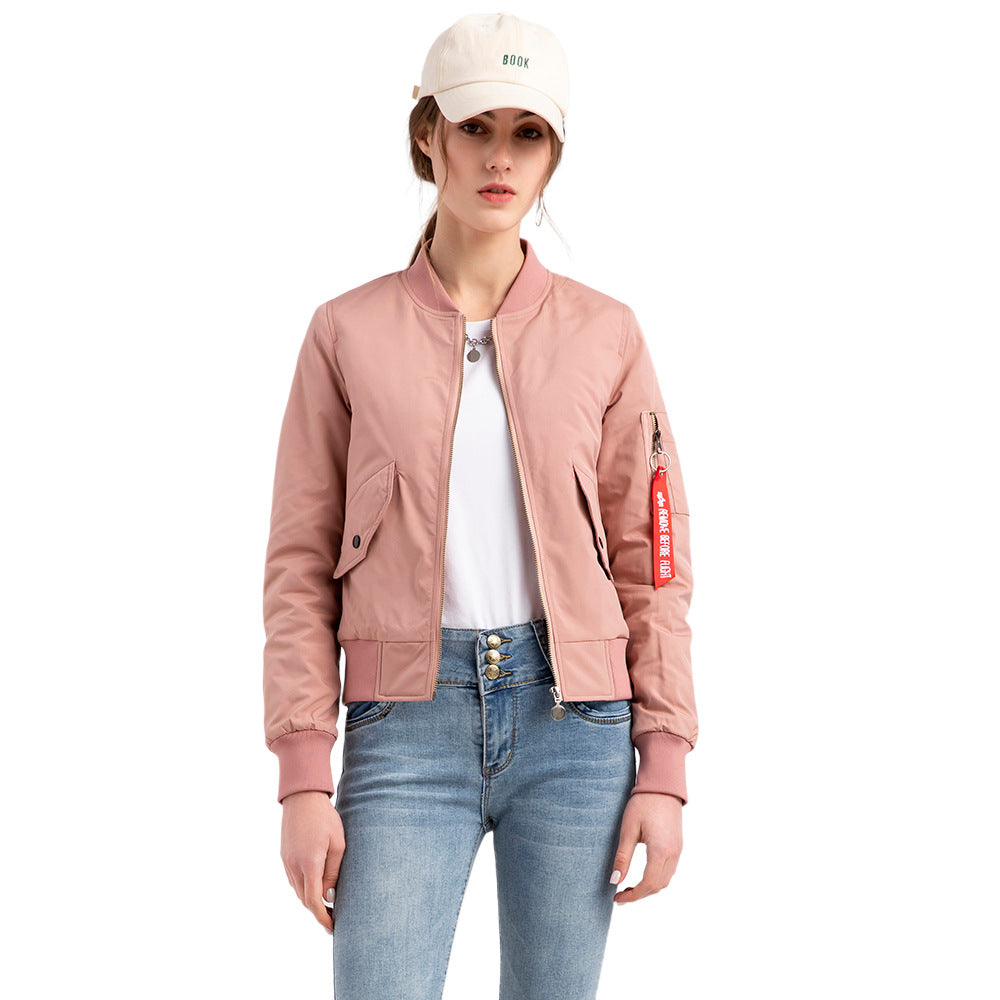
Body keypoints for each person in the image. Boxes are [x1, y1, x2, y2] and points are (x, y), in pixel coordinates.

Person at [262, 12, 698, 999]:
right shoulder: (345, 332)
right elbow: (297, 565)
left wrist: (664, 761)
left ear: (552, 153)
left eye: (527, 133)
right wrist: (302, 773)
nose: (500, 158)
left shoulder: (607, 334)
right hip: (402, 723)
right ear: (429, 135)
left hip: (577, 723)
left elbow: (654, 556)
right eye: (475, 128)